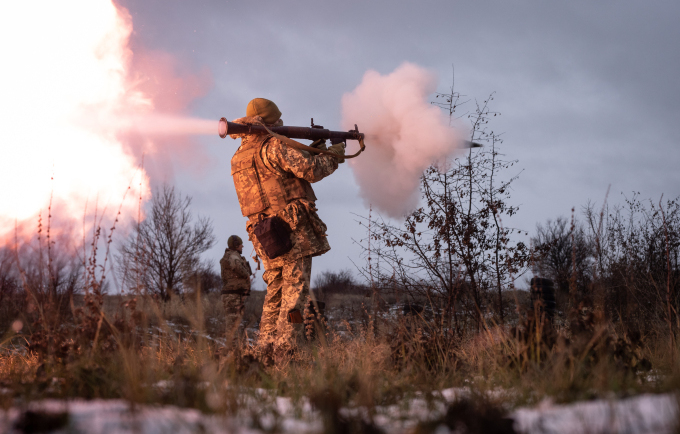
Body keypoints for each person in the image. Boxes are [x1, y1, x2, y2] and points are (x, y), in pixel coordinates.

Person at [229, 98, 345, 361]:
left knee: (276, 291)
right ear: (271, 120)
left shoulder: (238, 157)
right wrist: (335, 153)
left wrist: (312, 150)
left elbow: (276, 178)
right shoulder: (274, 146)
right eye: (278, 120)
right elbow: (312, 171)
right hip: (290, 228)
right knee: (296, 291)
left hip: (263, 232)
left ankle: (264, 349)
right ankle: (286, 351)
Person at [220, 235, 252, 339]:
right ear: (236, 245)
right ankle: (231, 352)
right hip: (232, 296)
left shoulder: (230, 255)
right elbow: (237, 266)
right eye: (241, 244)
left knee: (234, 326)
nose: (242, 246)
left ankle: (233, 351)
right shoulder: (233, 255)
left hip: (233, 295)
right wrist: (246, 274)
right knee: (232, 327)